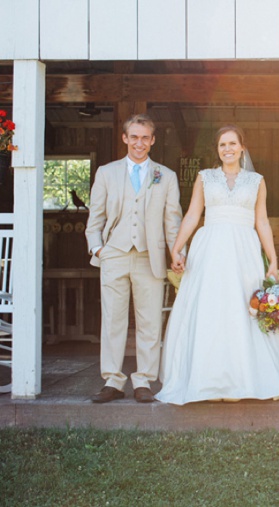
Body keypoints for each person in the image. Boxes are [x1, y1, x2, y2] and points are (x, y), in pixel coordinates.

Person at [156, 125, 279, 405]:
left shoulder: (256, 180)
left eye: (232, 143)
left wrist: (272, 259)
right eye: (222, 145)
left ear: (242, 147)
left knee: (243, 310)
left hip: (244, 250)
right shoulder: (205, 178)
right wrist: (176, 248)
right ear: (217, 149)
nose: (227, 149)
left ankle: (247, 378)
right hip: (209, 248)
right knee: (211, 309)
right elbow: (192, 215)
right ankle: (208, 381)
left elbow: (262, 221)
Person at [85, 114, 183, 403]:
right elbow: (96, 217)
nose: (139, 143)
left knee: (149, 321)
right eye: (134, 137)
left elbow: (172, 221)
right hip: (114, 254)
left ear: (152, 141)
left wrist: (177, 254)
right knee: (113, 320)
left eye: (145, 138)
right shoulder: (106, 172)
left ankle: (144, 381)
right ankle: (113, 381)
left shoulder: (165, 176)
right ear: (125, 138)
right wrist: (98, 248)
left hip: (148, 257)